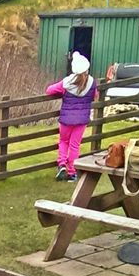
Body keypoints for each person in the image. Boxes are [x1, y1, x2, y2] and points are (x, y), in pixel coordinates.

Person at [45, 51, 98, 181]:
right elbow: (94, 96)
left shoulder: (67, 83)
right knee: (75, 145)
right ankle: (72, 172)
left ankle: (61, 164)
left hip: (66, 119)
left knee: (63, 141)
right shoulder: (92, 83)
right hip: (82, 120)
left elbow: (49, 90)